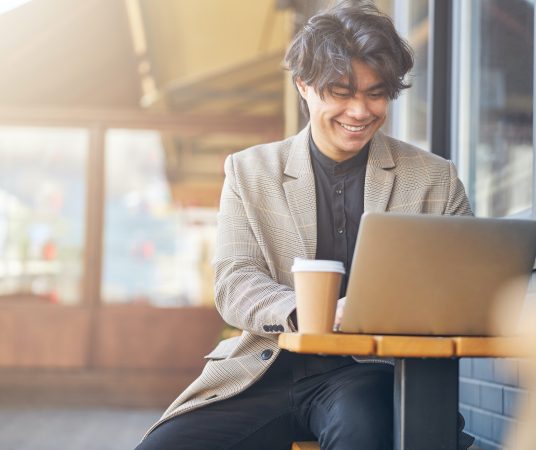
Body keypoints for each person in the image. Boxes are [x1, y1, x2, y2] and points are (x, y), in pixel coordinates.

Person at [137, 2, 474, 449]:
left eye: (376, 94)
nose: (359, 111)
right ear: (304, 86)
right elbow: (234, 280)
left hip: (367, 374)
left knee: (364, 433)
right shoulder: (249, 171)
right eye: (340, 92)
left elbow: (467, 281)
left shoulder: (434, 179)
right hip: (264, 369)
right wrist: (305, 313)